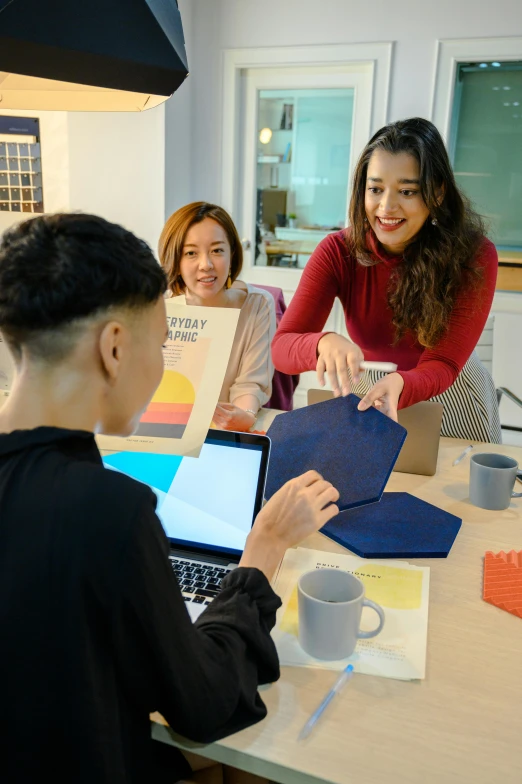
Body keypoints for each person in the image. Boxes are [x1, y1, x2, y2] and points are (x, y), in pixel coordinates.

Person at [0, 213, 340, 784]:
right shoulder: (111, 513)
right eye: (162, 345)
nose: (164, 369)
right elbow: (202, 701)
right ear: (114, 348)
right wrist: (265, 549)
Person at [272, 117, 501, 443]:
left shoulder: (474, 255)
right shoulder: (337, 251)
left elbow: (443, 363)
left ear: (436, 193)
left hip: (450, 393)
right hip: (373, 391)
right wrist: (322, 342)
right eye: (375, 189)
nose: (386, 207)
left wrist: (403, 384)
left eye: (407, 191)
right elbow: (282, 347)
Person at [159, 202, 276, 432]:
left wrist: (245, 416)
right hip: (165, 430)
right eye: (191, 253)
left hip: (221, 434)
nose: (206, 265)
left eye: (217, 250)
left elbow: (249, 385)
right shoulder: (158, 307)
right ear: (176, 259)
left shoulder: (257, 305)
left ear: (232, 253)